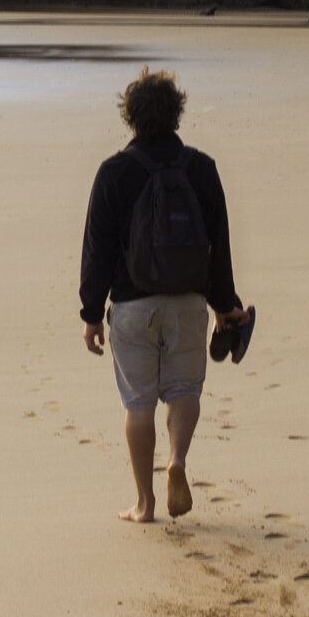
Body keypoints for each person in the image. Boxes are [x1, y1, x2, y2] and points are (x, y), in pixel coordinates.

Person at [79, 68, 247, 523]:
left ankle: (144, 503)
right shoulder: (202, 168)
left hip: (132, 306)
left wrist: (92, 314)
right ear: (177, 113)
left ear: (130, 117)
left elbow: (97, 248)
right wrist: (225, 304)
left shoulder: (114, 172)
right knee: (185, 389)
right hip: (189, 303)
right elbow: (219, 244)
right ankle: (177, 461)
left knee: (139, 404)